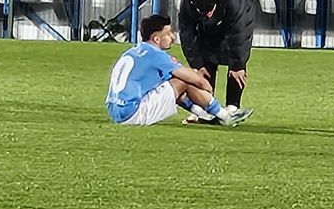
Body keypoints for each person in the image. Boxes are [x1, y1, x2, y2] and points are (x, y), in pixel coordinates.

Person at [105, 14, 254, 127]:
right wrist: (205, 86)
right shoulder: (156, 55)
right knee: (183, 81)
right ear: (156, 39)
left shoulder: (134, 52)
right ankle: (225, 116)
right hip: (132, 114)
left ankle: (205, 115)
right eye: (169, 33)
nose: (173, 37)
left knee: (172, 84)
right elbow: (196, 80)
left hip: (115, 110)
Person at [177, 0, 256, 111]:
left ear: (215, 0)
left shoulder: (235, 1)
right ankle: (205, 107)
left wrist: (237, 65)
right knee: (205, 61)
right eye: (203, 12)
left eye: (209, 10)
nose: (208, 14)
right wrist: (197, 65)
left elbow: (240, 35)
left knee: (236, 70)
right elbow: (187, 35)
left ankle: (232, 106)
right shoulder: (187, 3)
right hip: (210, 22)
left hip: (239, 13)